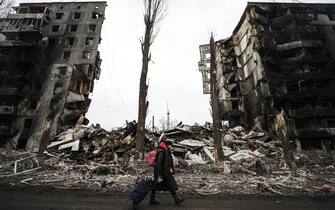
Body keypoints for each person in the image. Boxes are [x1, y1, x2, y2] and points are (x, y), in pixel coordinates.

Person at [149, 140, 184, 205]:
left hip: (165, 171)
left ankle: (152, 199)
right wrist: (160, 174)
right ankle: (176, 199)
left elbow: (168, 162)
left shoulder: (166, 151)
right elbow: (159, 163)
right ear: (167, 145)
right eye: (170, 145)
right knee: (159, 185)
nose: (171, 146)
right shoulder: (162, 151)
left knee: (163, 185)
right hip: (162, 172)